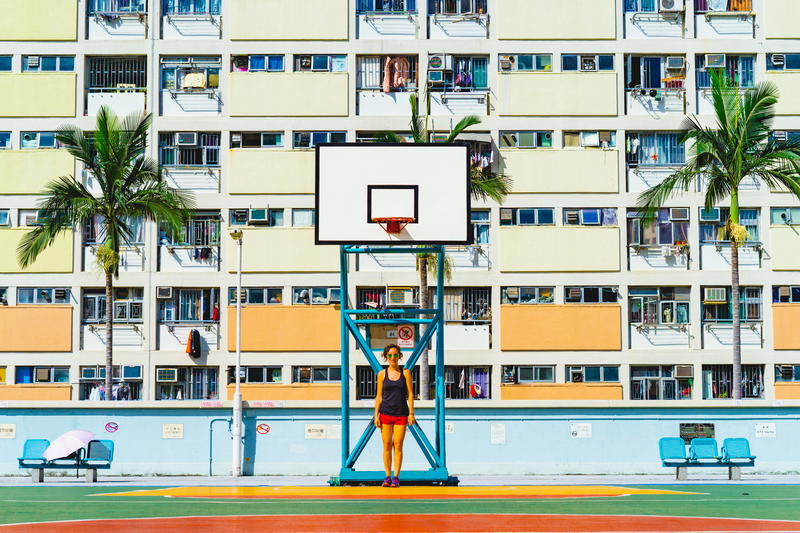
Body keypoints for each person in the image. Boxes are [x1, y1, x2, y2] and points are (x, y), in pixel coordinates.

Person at [373, 344, 416, 488]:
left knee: (398, 445)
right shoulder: (381, 374)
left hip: (401, 414)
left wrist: (411, 413)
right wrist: (376, 415)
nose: (393, 358)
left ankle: (396, 477)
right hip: (385, 413)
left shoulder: (406, 373)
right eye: (390, 355)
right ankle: (387, 476)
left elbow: (410, 394)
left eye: (395, 355)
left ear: (399, 356)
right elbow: (379, 396)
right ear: (386, 357)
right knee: (386, 445)